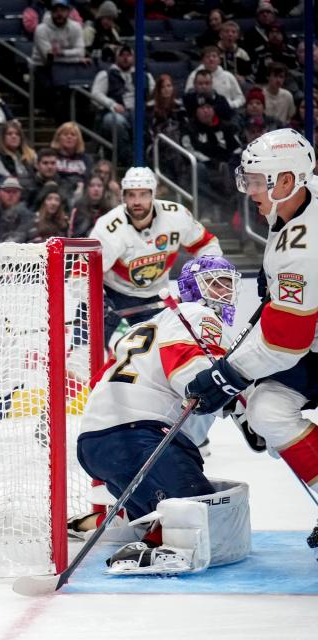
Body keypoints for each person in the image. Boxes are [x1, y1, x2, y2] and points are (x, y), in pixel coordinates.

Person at [184, 130, 318, 552]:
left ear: (289, 181)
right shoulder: (297, 205)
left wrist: (227, 376)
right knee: (268, 410)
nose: (252, 191)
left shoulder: (303, 248)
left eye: (260, 181)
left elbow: (284, 343)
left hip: (304, 341)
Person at [76, 256, 247, 574]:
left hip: (96, 443)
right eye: (214, 281)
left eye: (228, 282)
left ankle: (147, 541)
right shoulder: (199, 314)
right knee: (203, 521)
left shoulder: (155, 322)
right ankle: (155, 547)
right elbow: (190, 375)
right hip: (143, 438)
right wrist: (232, 400)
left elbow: (103, 378)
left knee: (166, 523)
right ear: (191, 288)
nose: (223, 290)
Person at [89, 167, 222, 347]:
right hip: (113, 294)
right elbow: (83, 272)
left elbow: (206, 244)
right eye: (131, 195)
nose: (137, 201)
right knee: (89, 350)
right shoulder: (108, 228)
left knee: (155, 351)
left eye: (143, 194)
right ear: (123, 196)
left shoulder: (176, 216)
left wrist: (206, 278)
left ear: (153, 194)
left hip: (156, 295)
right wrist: (98, 300)